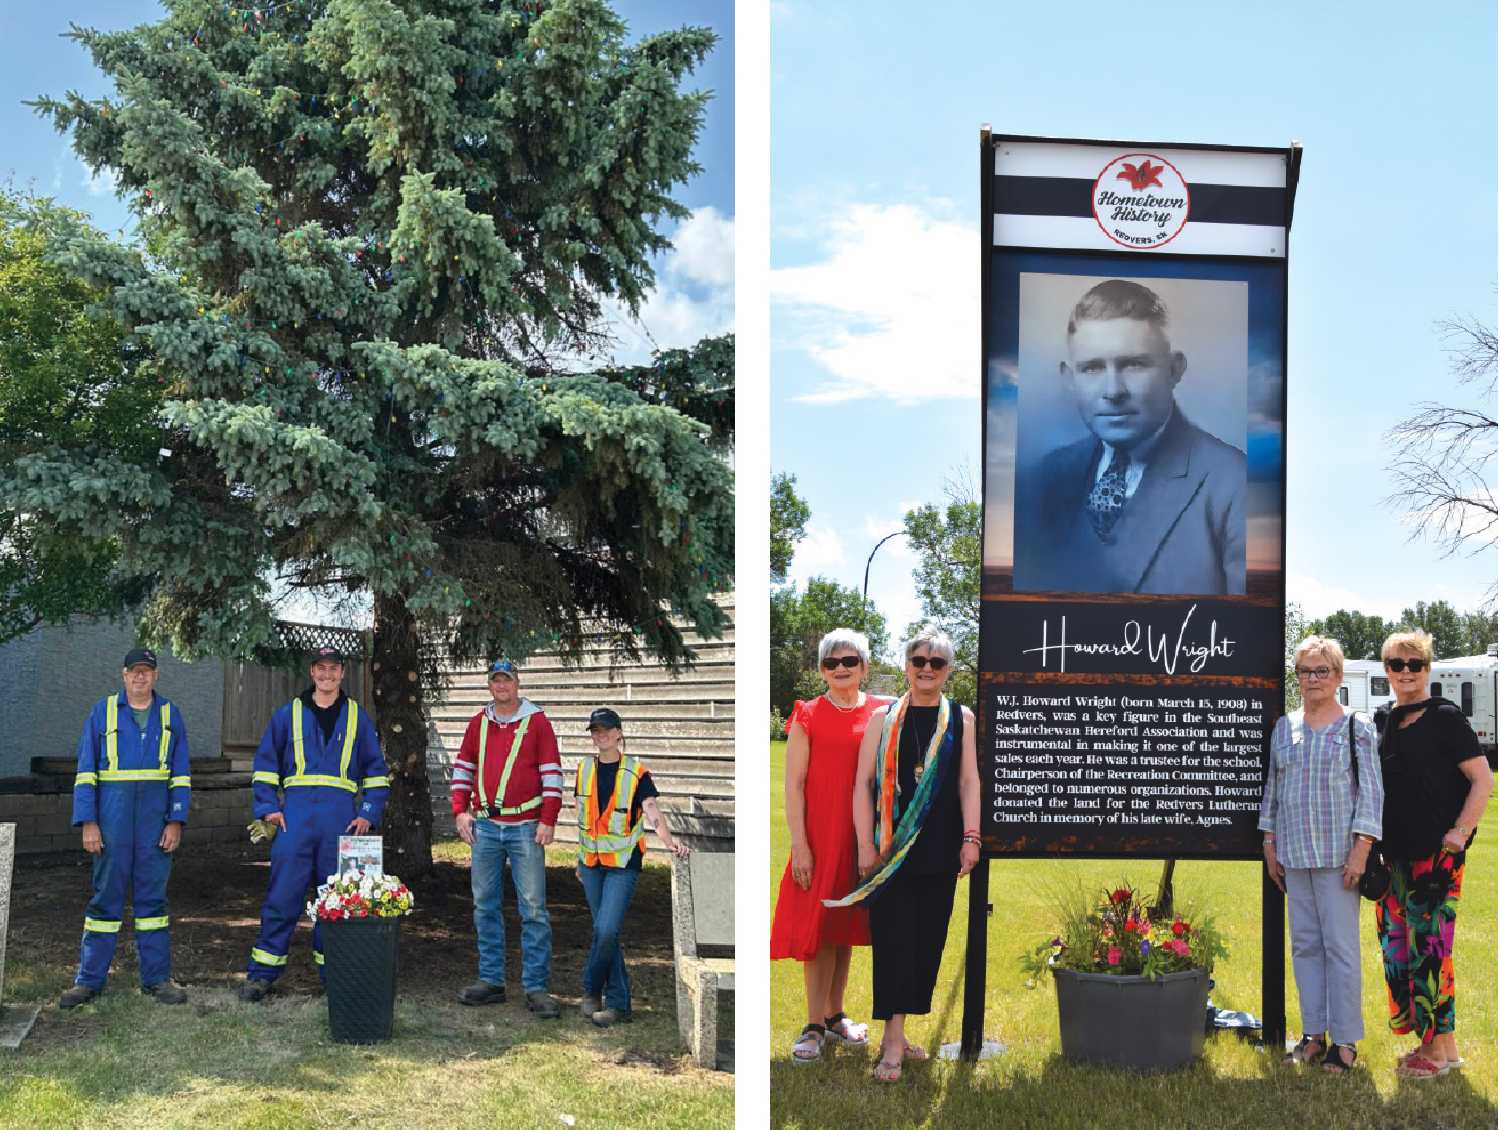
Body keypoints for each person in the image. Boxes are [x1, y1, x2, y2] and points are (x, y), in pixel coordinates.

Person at [1012, 278, 1247, 595]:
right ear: (1069, 378)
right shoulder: (1043, 478)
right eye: (1093, 368)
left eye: (1134, 364)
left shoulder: (1231, 480)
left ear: (1174, 369)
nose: (1113, 391)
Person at [841, 627, 981, 1083]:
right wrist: (865, 844)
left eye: (936, 663)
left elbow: (968, 782)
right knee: (896, 942)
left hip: (940, 848)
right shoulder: (883, 719)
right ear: (906, 666)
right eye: (918, 660)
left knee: (926, 945)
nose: (926, 669)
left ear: (948, 672)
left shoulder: (962, 719)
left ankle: (898, 1035)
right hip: (890, 851)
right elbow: (863, 783)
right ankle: (892, 1041)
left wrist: (971, 838)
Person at [1373, 628, 1493, 1080]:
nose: (1406, 673)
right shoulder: (1382, 720)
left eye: (1415, 664)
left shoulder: (1446, 717)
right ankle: (1443, 1049)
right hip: (1393, 859)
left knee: (1431, 951)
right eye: (1397, 664)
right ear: (1386, 670)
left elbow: (1483, 780)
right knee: (1401, 951)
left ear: (1428, 669)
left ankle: (1438, 1055)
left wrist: (1459, 833)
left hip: (1436, 859)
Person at [1258, 635, 1381, 1073]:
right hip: (1293, 855)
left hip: (1339, 859)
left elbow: (1371, 793)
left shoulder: (1356, 726)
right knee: (1306, 947)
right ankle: (1313, 1034)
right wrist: (1269, 844)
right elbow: (1273, 790)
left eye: (1321, 671)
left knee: (1341, 949)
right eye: (1305, 671)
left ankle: (1345, 1043)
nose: (1312, 679)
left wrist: (1362, 848)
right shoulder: (1284, 728)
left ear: (1337, 676)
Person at [240, 646, 388, 1000]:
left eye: (333, 669)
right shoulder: (287, 714)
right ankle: (263, 974)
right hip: (295, 818)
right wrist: (267, 807)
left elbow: (377, 772)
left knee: (338, 901)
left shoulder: (357, 717)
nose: (327, 675)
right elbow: (264, 766)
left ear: (341, 674)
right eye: (320, 668)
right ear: (312, 672)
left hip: (341, 822)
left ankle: (336, 974)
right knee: (281, 896)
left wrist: (368, 812)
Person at [770, 628, 889, 1063]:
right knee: (818, 929)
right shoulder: (808, 714)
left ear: (865, 666)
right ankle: (813, 1023)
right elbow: (793, 784)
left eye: (849, 661)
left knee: (845, 928)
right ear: (821, 669)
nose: (840, 669)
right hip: (819, 835)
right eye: (831, 662)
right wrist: (799, 845)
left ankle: (836, 1015)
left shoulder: (881, 711)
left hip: (861, 836)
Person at [61, 647, 192, 1008]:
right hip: (112, 822)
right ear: (124, 675)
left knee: (153, 901)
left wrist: (176, 821)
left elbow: (180, 775)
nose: (140, 677)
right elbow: (86, 773)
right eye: (134, 671)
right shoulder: (101, 712)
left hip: (155, 824)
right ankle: (88, 982)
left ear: (155, 676)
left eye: (146, 671)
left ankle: (156, 980)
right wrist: (88, 823)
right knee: (105, 900)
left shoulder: (170, 714)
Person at [451, 658, 564, 1018]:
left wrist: (548, 819)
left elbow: (552, 774)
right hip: (485, 828)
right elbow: (463, 769)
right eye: (496, 681)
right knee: (484, 904)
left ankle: (536, 987)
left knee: (533, 909)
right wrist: (459, 811)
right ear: (490, 685)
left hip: (527, 827)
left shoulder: (538, 723)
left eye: (507, 680)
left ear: (517, 683)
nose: (502, 686)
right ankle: (492, 982)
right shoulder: (478, 723)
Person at [573, 707, 689, 1027]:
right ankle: (615, 1003)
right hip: (592, 864)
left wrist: (667, 840)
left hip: (624, 863)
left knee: (607, 929)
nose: (601, 735)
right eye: (595, 730)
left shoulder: (637, 772)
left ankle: (593, 989)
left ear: (619, 732)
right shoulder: (583, 769)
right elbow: (584, 817)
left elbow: (651, 810)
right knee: (603, 932)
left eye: (607, 729)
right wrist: (579, 859)